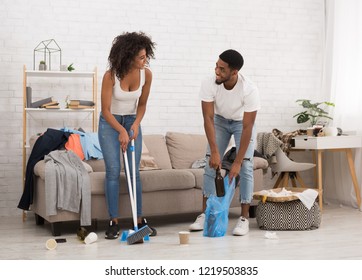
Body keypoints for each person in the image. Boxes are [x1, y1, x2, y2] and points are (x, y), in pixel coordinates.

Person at [189, 49, 261, 236]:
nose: (217, 71)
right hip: (219, 121)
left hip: (241, 124)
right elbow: (208, 117)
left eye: (222, 69)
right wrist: (214, 152)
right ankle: (205, 214)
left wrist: (237, 162)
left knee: (245, 167)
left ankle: (244, 218)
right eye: (216, 66)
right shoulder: (209, 83)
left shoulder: (249, 89)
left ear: (234, 72)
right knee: (209, 165)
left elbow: (247, 127)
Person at [98, 31, 156, 239]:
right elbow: (105, 109)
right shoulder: (110, 75)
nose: (145, 60)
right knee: (113, 171)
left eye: (146, 56)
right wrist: (121, 130)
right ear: (128, 55)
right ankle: (113, 221)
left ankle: (139, 220)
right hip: (110, 122)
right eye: (141, 57)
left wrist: (136, 124)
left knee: (134, 172)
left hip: (132, 120)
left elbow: (142, 105)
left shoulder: (146, 75)